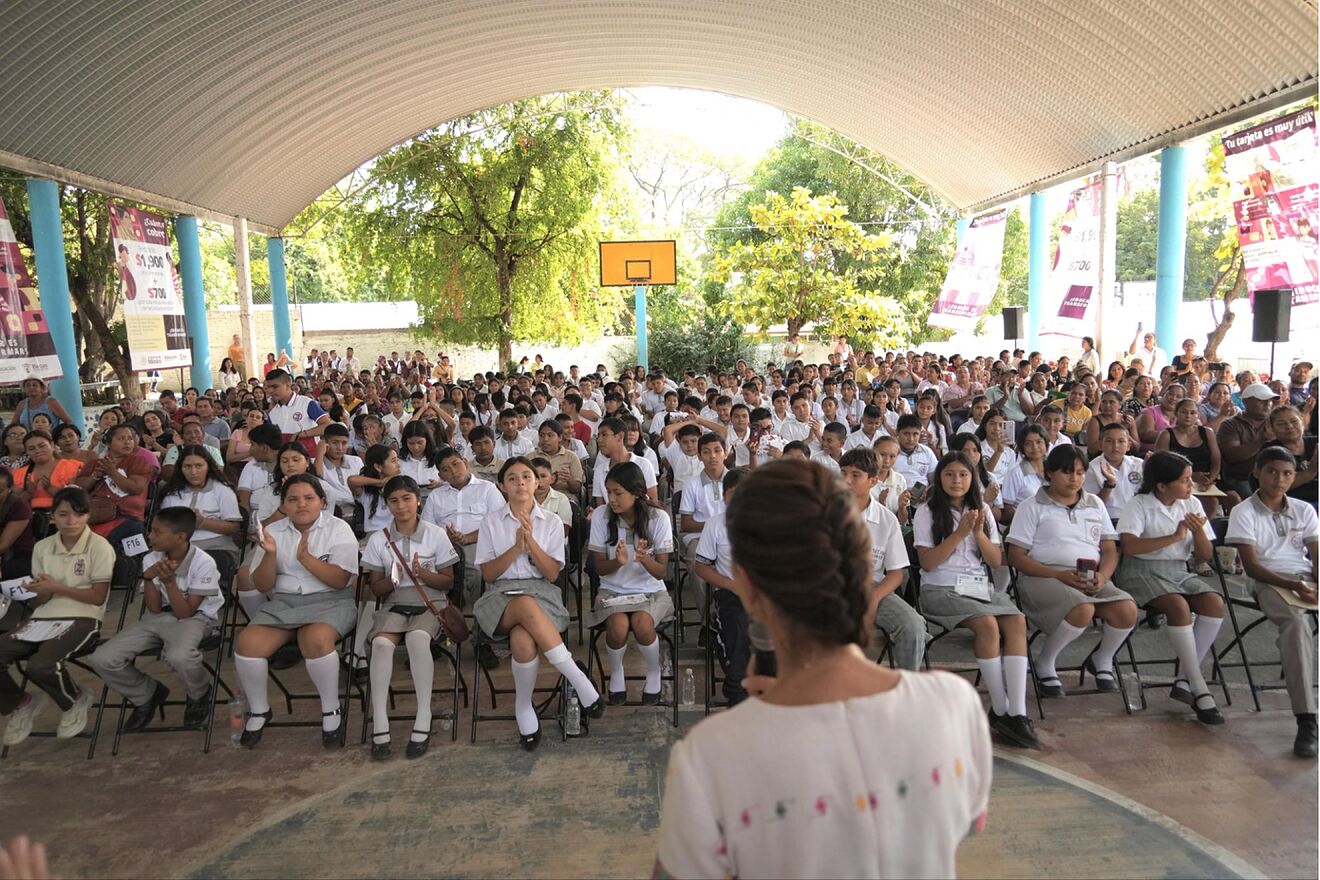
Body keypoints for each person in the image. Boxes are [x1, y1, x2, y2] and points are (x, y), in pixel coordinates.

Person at [656, 459, 991, 878]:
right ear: (862, 568)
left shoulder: (710, 754)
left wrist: (758, 723)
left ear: (748, 587)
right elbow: (964, 823)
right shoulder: (954, 705)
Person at [473, 457, 604, 749]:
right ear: (502, 486)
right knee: (523, 604)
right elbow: (489, 574)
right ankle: (576, 677)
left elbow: (552, 574)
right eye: (512, 478)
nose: (520, 482)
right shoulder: (491, 522)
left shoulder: (553, 521)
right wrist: (515, 547)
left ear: (537, 482)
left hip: (542, 592)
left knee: (522, 639)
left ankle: (523, 707)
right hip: (499, 595)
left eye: (526, 477)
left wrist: (530, 542)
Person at [915, 451, 1038, 749]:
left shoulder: (981, 509)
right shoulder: (927, 511)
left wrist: (979, 533)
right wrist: (959, 534)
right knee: (988, 626)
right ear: (939, 478)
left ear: (972, 478)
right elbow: (928, 563)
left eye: (963, 475)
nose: (956, 481)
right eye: (949, 474)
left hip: (977, 587)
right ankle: (1000, 707)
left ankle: (1017, 712)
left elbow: (996, 560)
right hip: (940, 588)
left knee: (1017, 621)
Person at [233, 474, 359, 749]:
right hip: (284, 602)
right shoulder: (273, 532)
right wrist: (269, 554)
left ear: (322, 502)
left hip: (331, 601)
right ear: (284, 505)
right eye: (293, 499)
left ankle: (331, 708)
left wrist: (306, 559)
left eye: (309, 498)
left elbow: (340, 581)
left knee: (315, 639)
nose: (301, 504)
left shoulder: (338, 529)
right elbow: (262, 585)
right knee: (246, 643)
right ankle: (260, 709)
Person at [1006, 445, 1137, 699]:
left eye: (1080, 472)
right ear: (1050, 473)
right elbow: (1016, 556)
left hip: (1089, 575)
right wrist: (1057, 575)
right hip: (1042, 576)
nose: (1075, 479)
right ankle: (1045, 661)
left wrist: (1103, 577)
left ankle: (1102, 659)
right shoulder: (1032, 506)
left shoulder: (1095, 503)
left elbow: (1110, 550)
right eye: (1067, 472)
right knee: (1082, 608)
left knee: (1127, 609)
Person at [87, 507, 224, 732]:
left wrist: (169, 583)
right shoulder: (151, 557)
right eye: (151, 530)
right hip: (158, 617)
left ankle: (199, 693)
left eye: (157, 532)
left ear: (180, 537)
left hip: (196, 619)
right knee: (102, 658)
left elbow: (186, 613)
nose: (150, 536)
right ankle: (146, 693)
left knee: (180, 656)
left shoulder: (203, 562)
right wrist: (149, 578)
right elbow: (154, 608)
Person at [1115, 452, 1225, 725]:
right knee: (1178, 606)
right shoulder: (1139, 504)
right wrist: (1175, 536)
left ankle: (1184, 680)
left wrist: (1197, 532)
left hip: (1178, 570)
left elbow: (1203, 556)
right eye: (1185, 480)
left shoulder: (1192, 503)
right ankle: (1198, 686)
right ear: (1162, 485)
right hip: (1140, 570)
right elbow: (1130, 547)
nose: (1191, 485)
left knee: (1214, 603)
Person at [0, 487, 114, 747]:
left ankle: (75, 699)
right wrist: (40, 591)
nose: (71, 521)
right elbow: (42, 601)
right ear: (53, 516)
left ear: (88, 515)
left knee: (40, 665)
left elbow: (98, 597)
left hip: (83, 618)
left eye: (78, 514)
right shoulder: (43, 547)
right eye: (63, 514)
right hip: (43, 618)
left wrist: (56, 587)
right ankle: (21, 703)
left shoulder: (99, 547)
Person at [1225, 447, 1319, 757]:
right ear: (1257, 472)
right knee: (1296, 624)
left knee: (1299, 623)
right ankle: (1307, 719)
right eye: (1272, 472)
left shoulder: (1304, 509)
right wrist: (1294, 586)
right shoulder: (1244, 512)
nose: (1279, 479)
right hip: (1269, 581)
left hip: (1304, 579)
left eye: (1287, 473)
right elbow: (1252, 567)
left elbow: (1316, 555)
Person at [361, 475, 459, 760]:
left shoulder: (435, 534)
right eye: (393, 500)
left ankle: (423, 714)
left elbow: (448, 582)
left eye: (407, 499)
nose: (401, 505)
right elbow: (375, 589)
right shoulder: (378, 539)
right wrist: (394, 580)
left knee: (417, 639)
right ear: (387, 504)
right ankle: (380, 720)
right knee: (381, 644)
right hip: (395, 603)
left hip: (430, 602)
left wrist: (424, 574)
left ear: (418, 501)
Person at [587, 462, 675, 704]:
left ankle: (654, 672)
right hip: (612, 589)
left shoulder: (658, 517)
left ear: (636, 493)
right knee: (617, 627)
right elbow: (598, 568)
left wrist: (644, 559)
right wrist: (617, 562)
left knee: (642, 623)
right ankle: (617, 673)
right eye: (608, 492)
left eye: (618, 493)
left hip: (651, 591)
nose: (612, 499)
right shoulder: (601, 516)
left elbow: (661, 572)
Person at [839, 448, 925, 669]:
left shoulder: (886, 519)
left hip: (872, 587)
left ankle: (906, 683)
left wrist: (874, 597)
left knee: (913, 625)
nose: (846, 480)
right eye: (843, 473)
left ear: (872, 481)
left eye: (855, 475)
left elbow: (896, 573)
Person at [693, 467, 751, 706]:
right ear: (724, 496)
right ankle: (737, 690)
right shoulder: (715, 525)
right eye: (733, 494)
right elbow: (701, 566)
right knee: (736, 626)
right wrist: (731, 584)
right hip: (730, 593)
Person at [156, 445, 243, 568]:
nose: (193, 472)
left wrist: (202, 522)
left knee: (203, 564)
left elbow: (233, 527)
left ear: (208, 466)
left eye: (198, 466)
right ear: (180, 468)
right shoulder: (172, 493)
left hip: (216, 547)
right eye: (187, 467)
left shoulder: (223, 490)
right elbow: (163, 526)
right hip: (178, 547)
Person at [73, 424, 151, 545]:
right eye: (121, 439)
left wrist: (112, 472)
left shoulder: (139, 461)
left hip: (127, 516)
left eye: (130, 438)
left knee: (130, 531)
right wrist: (95, 476)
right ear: (109, 443)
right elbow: (78, 489)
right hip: (96, 515)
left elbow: (135, 488)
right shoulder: (95, 463)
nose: (127, 442)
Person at [1219, 383, 1278, 498]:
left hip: (1274, 476)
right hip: (1241, 478)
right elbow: (1231, 456)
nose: (1267, 404)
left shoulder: (1275, 423)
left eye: (1269, 400)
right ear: (1245, 402)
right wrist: (1262, 441)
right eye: (1261, 400)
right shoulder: (1230, 424)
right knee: (1255, 497)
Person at [1084, 422, 1144, 521]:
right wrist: (1109, 484)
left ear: (1128, 445)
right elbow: (1092, 506)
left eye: (1121, 441)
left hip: (1137, 518)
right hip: (1108, 520)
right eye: (1109, 441)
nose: (1115, 446)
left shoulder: (1139, 464)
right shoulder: (1091, 468)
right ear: (1100, 445)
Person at [13, 432, 81, 512]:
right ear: (27, 452)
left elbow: (79, 499)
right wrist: (29, 492)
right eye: (31, 449)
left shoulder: (73, 466)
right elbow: (12, 505)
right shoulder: (20, 473)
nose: (37, 451)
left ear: (52, 445)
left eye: (42, 446)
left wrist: (50, 488)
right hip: (31, 516)